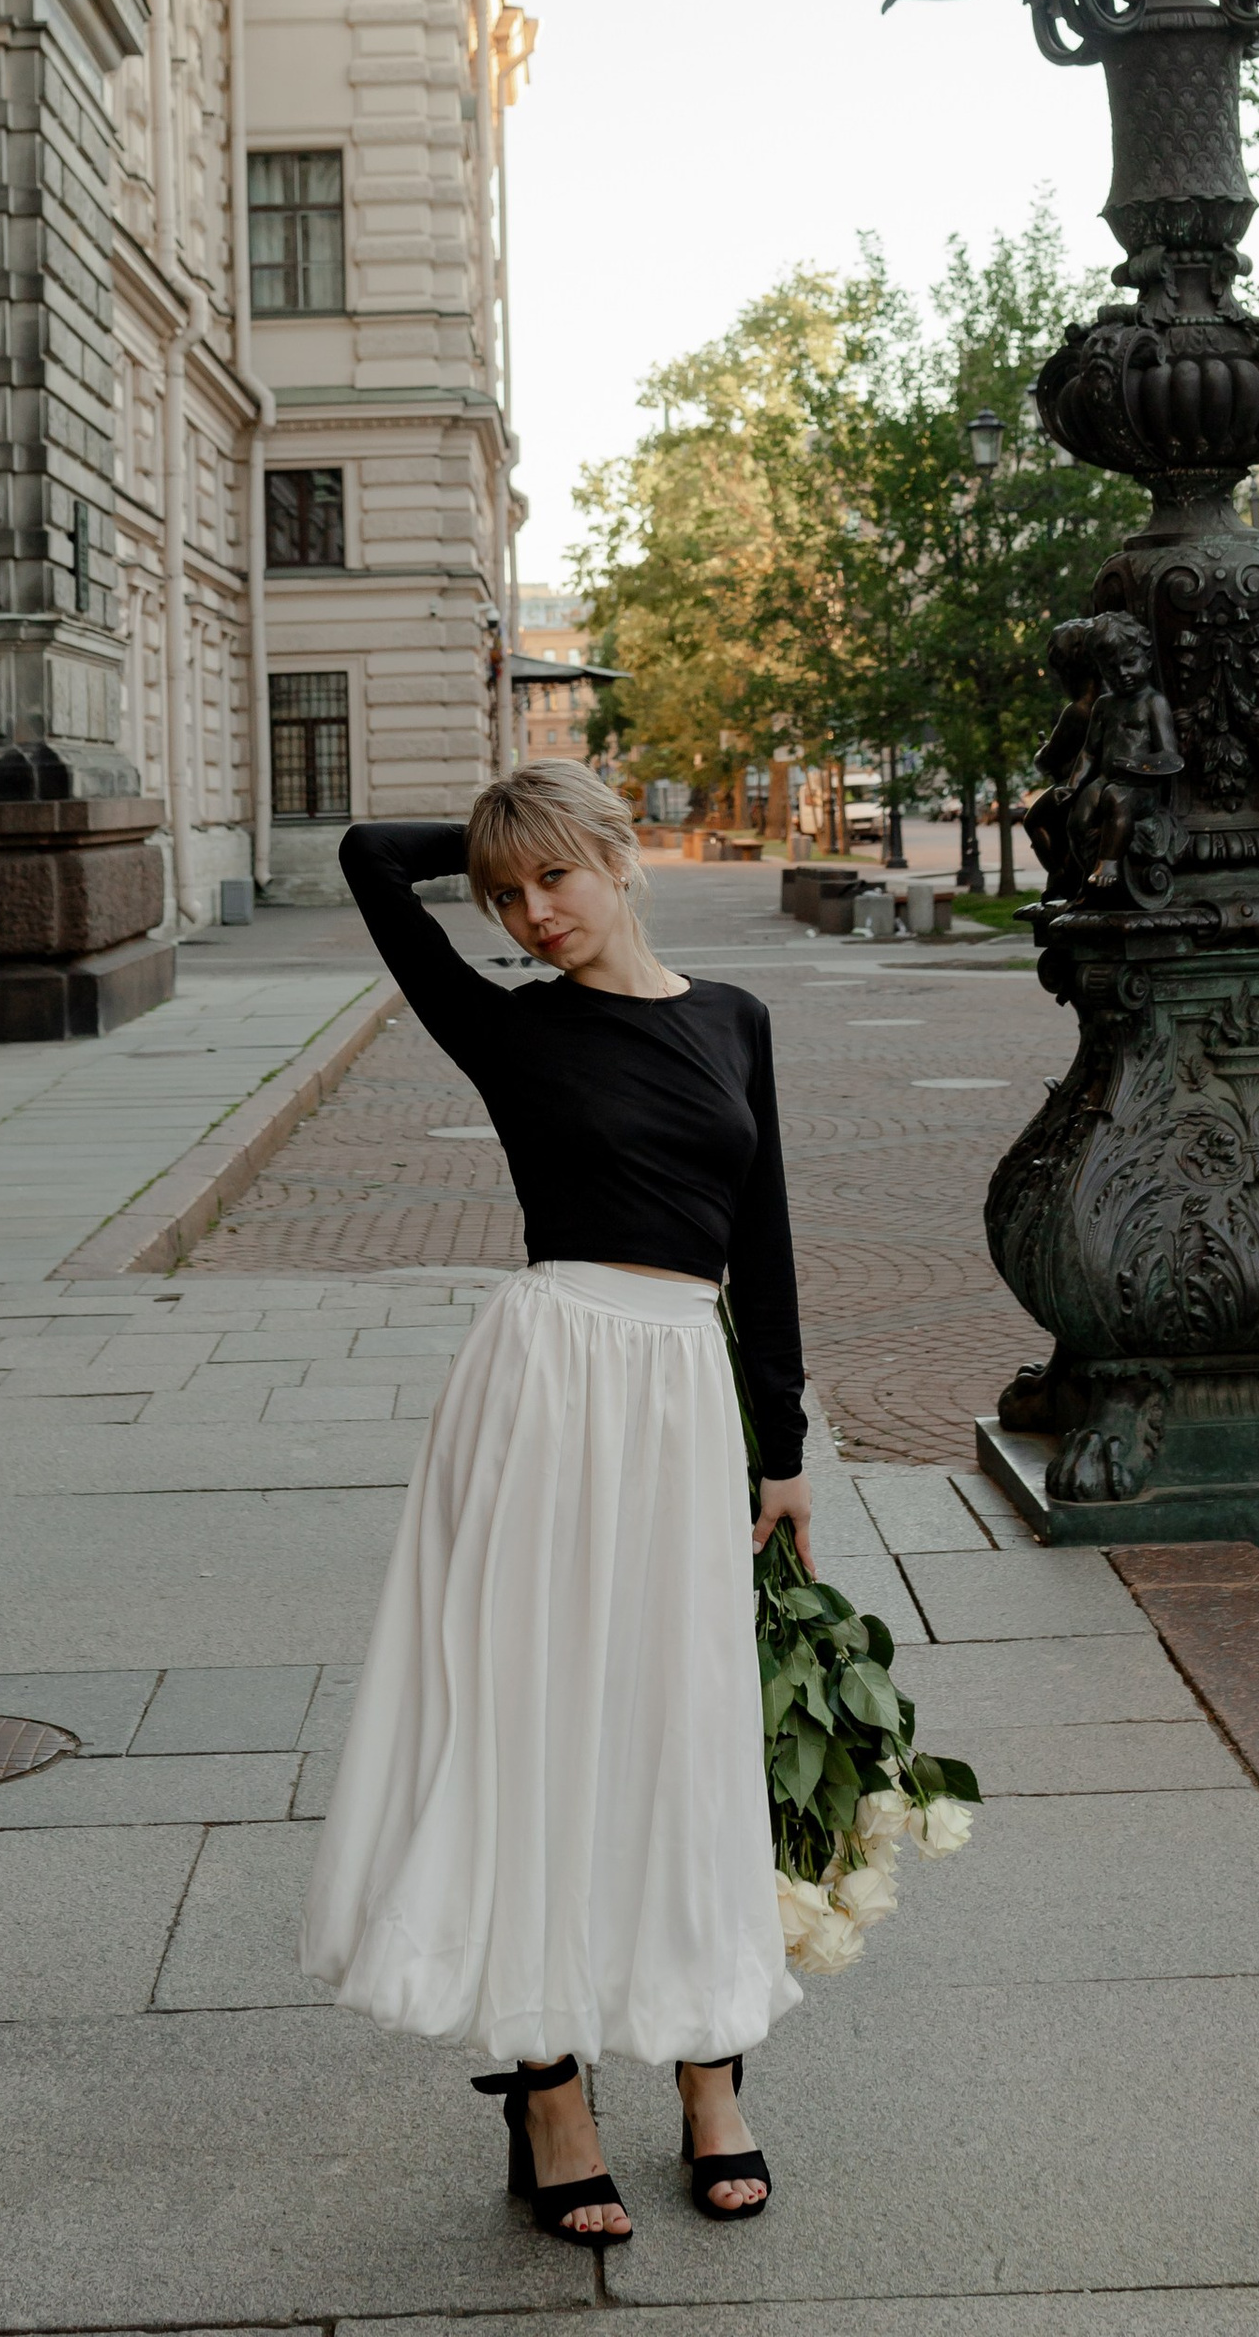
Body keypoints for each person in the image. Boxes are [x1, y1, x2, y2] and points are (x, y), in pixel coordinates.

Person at [300, 762, 811, 2244]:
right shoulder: (507, 1027)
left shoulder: (734, 1020)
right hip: (545, 1394)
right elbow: (363, 860)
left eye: (558, 880)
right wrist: (499, 821)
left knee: (682, 1725)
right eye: (507, 897)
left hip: (679, 1395)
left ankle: (714, 2076)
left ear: (620, 857)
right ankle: (552, 2099)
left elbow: (763, 1245)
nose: (532, 918)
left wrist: (779, 1448)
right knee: (536, 1726)